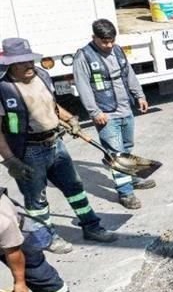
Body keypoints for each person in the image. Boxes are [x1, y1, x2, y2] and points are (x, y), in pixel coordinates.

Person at [0, 38, 118, 253]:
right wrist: (10, 160)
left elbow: (52, 105)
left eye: (30, 60)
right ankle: (47, 237)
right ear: (10, 64)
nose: (29, 65)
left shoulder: (42, 76)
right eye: (21, 62)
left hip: (56, 143)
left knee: (75, 188)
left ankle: (92, 227)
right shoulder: (3, 89)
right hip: (28, 151)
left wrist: (70, 119)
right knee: (36, 200)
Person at [72, 20, 154, 210]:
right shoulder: (83, 57)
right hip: (106, 114)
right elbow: (83, 86)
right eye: (104, 42)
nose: (109, 46)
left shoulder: (117, 50)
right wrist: (95, 112)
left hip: (125, 109)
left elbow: (129, 74)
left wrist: (139, 95)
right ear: (94, 38)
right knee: (115, 153)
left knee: (127, 147)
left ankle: (132, 178)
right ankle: (126, 193)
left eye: (111, 41)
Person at [0, 189, 85, 292]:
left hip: (16, 238)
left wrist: (19, 282)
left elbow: (14, 253)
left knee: (38, 274)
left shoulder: (3, 220)